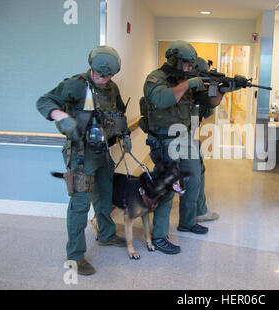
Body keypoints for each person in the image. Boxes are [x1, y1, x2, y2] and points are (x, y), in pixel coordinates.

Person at [36, 46, 131, 275]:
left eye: (107, 76)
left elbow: (119, 111)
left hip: (103, 152)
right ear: (91, 67)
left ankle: (106, 235)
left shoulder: (111, 87)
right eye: (98, 74)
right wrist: (61, 116)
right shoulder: (76, 84)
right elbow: (44, 101)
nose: (101, 79)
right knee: (80, 206)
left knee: (105, 196)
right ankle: (75, 256)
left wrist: (126, 135)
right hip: (81, 154)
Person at [140, 41, 240, 254]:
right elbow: (163, 99)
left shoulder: (187, 80)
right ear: (174, 60)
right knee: (167, 190)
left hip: (185, 138)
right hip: (165, 140)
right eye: (186, 64)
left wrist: (224, 90)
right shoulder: (156, 79)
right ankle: (158, 236)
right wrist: (188, 83)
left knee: (193, 180)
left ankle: (187, 221)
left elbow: (209, 102)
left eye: (191, 64)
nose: (188, 68)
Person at [190, 57, 219, 223]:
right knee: (195, 173)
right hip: (179, 138)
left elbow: (206, 113)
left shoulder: (195, 91)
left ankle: (200, 210)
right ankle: (199, 212)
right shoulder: (183, 88)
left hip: (189, 136)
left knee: (198, 170)